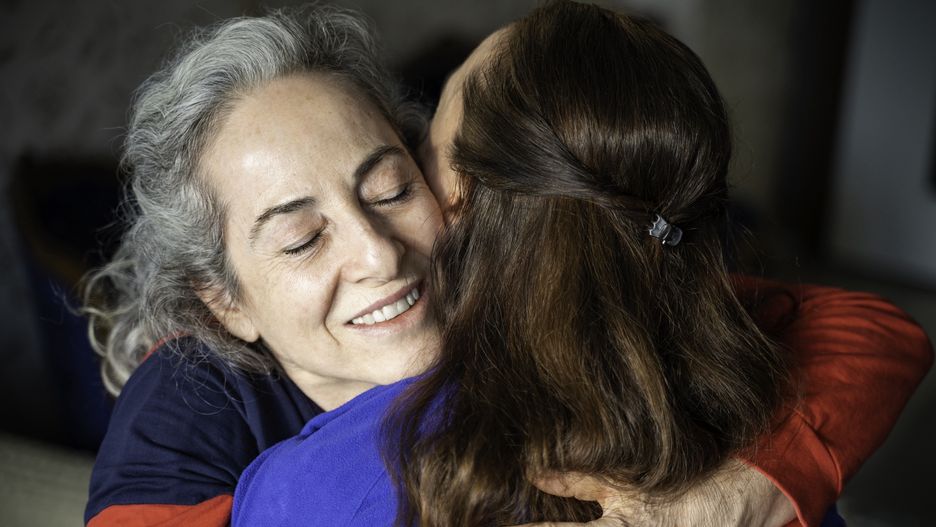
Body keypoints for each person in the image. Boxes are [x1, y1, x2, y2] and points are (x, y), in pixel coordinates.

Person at [84, 4, 933, 527]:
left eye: (393, 187)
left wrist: (747, 485)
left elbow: (876, 328)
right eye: (303, 238)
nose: (378, 251)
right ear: (224, 300)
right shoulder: (194, 403)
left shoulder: (555, 305)